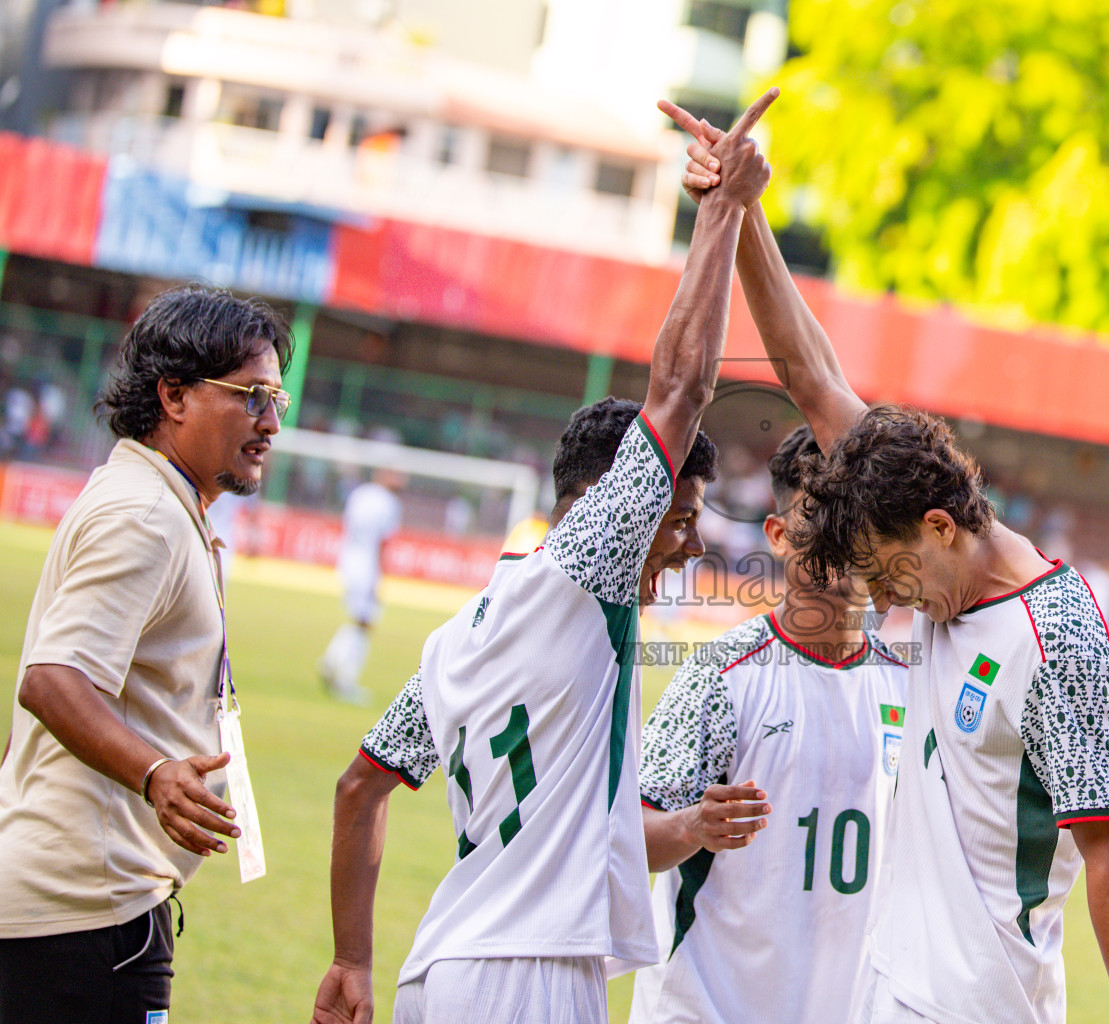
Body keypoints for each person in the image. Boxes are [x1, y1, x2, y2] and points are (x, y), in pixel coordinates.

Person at [666, 104, 1109, 1024]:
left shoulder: (1057, 642)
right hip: (884, 993)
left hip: (981, 1008)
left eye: (890, 575)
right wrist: (745, 207)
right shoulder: (932, 557)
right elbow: (810, 378)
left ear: (939, 526)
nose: (884, 598)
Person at [308, 86, 778, 1024]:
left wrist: (352, 962)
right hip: (525, 975)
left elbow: (363, 784)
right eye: (678, 519)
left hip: (447, 968)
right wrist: (724, 210)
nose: (684, 551)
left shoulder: (467, 629)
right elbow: (682, 385)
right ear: (616, 504)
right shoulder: (589, 570)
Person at [0, 285, 291, 1020]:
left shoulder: (159, 502)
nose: (272, 423)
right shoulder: (146, 516)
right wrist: (157, 772)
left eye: (279, 401)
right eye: (252, 396)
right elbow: (52, 679)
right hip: (84, 919)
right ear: (174, 395)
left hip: (88, 906)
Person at [630, 425, 908, 1024]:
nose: (839, 542)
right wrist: (691, 827)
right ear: (778, 536)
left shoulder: (913, 688)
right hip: (707, 1008)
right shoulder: (721, 675)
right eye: (819, 520)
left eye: (854, 522)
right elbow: (625, 839)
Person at [320, 467, 406, 704]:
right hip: (366, 567)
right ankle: (343, 678)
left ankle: (332, 662)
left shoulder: (361, 494)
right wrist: (381, 574)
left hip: (348, 561)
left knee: (359, 620)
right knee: (366, 622)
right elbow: (382, 542)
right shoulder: (389, 503)